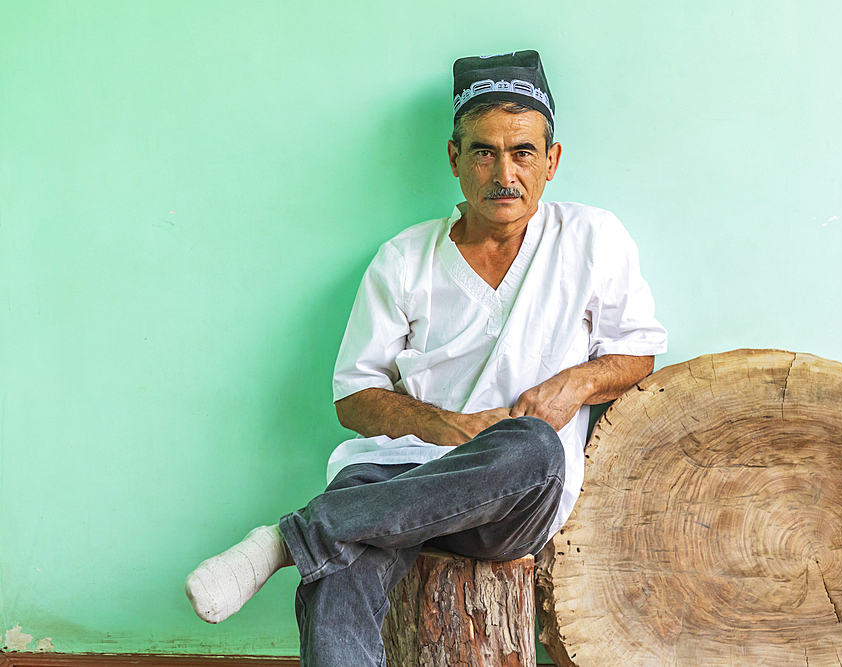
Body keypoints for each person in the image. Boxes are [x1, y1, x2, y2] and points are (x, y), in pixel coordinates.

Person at [185, 50, 668, 666]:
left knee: (534, 447)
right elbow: (354, 398)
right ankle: (326, 535)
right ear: (454, 157)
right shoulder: (403, 258)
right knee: (337, 572)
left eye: (523, 152)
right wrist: (448, 427)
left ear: (552, 161)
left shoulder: (592, 238)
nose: (504, 173)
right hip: (397, 474)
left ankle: (293, 535)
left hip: (508, 497)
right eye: (483, 151)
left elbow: (637, 354)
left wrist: (572, 385)